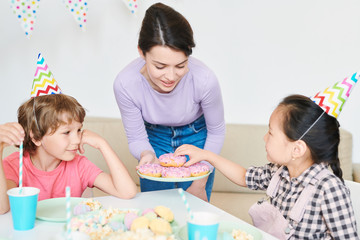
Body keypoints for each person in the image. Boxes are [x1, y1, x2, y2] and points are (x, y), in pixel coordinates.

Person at [175, 83, 359, 238]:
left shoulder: (329, 188)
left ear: (297, 149)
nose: (264, 138)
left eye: (270, 132)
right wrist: (208, 155)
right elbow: (243, 176)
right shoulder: (279, 171)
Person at [113, 3, 225, 201]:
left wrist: (200, 181)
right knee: (155, 210)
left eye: (181, 65)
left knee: (195, 211)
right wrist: (146, 154)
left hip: (197, 138)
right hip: (154, 138)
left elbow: (216, 131)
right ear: (142, 52)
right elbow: (137, 138)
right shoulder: (125, 84)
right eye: (160, 66)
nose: (171, 76)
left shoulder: (205, 80)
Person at [0, 54, 137, 215]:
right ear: (36, 137)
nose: (76, 139)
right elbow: (2, 209)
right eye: (66, 132)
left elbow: (127, 192)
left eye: (78, 130)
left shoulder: (79, 165)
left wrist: (102, 144)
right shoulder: (15, 165)